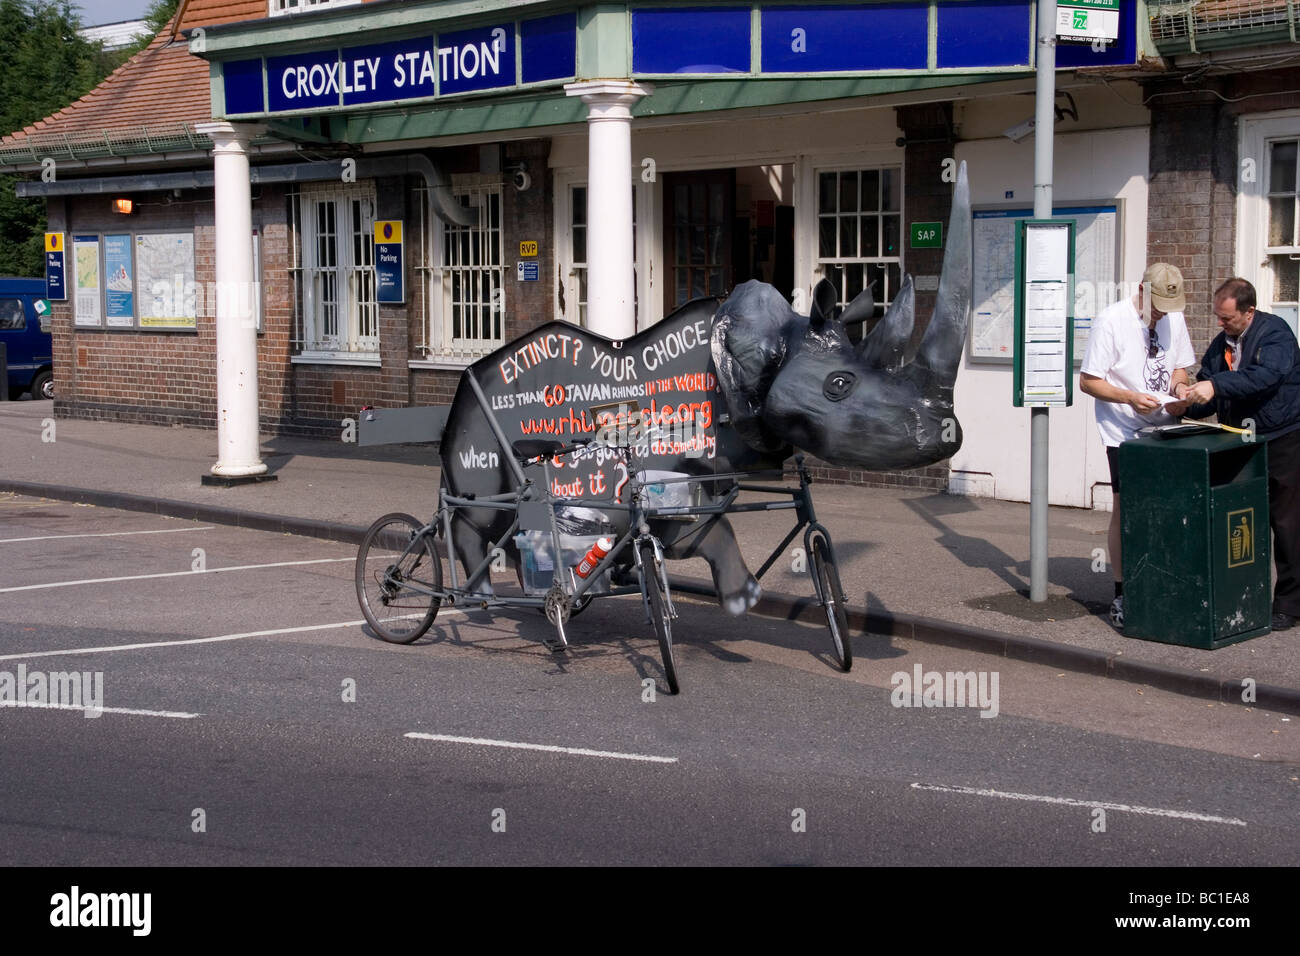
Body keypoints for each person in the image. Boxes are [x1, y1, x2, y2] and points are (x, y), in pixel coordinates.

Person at [1168, 278, 1300, 631]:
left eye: (1226, 318)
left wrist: (1215, 385)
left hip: (1281, 437)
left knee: (1286, 523)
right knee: (1242, 520)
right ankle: (1244, 594)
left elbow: (1265, 377)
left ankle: (1290, 602)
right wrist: (1183, 402)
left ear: (1249, 311)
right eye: (1218, 317)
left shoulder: (1276, 334)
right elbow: (1210, 382)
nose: (1220, 324)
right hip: (1240, 439)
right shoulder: (1221, 342)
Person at [1080, 263, 1196, 627]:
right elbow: (1088, 381)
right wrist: (1129, 397)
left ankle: (1164, 580)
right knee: (1126, 505)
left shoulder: (1173, 318)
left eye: (1168, 307)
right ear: (1143, 291)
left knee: (1169, 504)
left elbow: (1179, 367)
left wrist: (1179, 391)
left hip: (1166, 424)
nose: (1162, 314)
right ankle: (1122, 591)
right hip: (1124, 431)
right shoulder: (1111, 320)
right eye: (1158, 306)